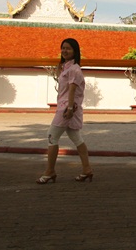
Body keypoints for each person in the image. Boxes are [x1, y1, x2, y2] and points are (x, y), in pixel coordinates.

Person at [37, 38, 93, 184]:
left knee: (51, 136)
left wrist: (69, 108)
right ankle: (87, 170)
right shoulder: (66, 68)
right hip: (68, 108)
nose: (64, 51)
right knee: (76, 138)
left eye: (68, 48)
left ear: (75, 51)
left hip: (66, 109)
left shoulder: (74, 69)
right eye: (63, 48)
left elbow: (72, 90)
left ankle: (50, 171)